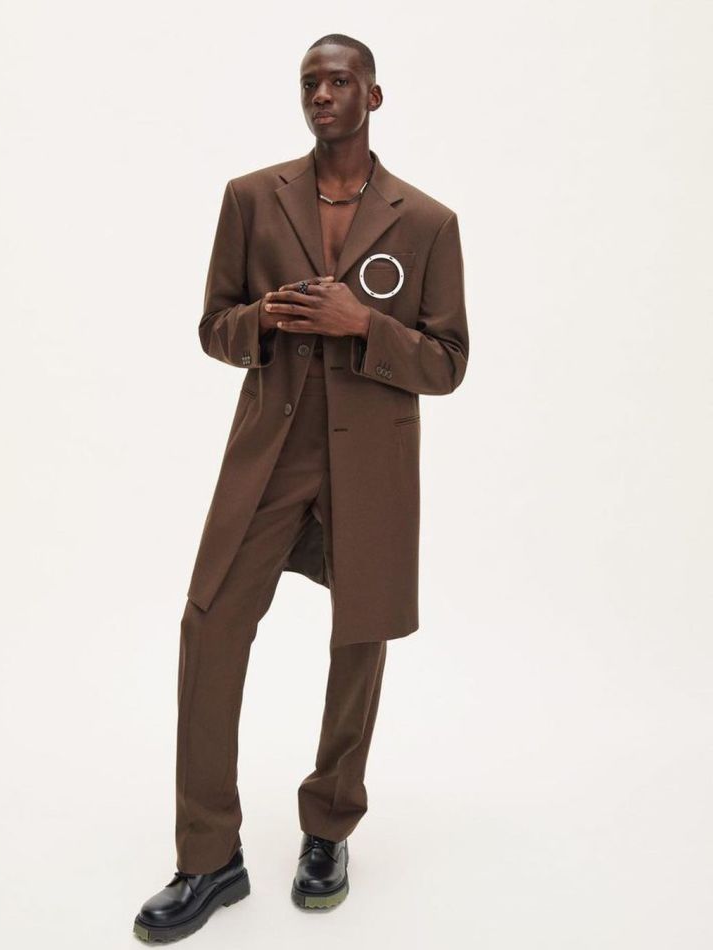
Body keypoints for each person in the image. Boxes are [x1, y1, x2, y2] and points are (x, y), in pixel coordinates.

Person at [133, 32, 469, 944]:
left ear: (374, 96)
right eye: (310, 82)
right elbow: (213, 325)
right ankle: (209, 856)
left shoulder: (427, 221)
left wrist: (364, 325)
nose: (323, 94)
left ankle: (329, 827)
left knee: (361, 637)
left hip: (371, 461)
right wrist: (261, 320)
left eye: (339, 80)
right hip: (269, 453)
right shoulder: (251, 197)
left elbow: (448, 362)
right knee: (209, 623)